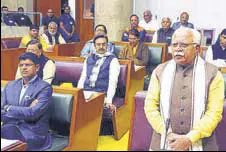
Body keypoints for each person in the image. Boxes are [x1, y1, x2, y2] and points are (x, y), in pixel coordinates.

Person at [144, 27, 224, 151]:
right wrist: (167, 133)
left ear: (197, 48)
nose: (177, 49)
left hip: (202, 143)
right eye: (174, 45)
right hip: (164, 140)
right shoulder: (160, 71)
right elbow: (150, 106)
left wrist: (189, 139)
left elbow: (214, 113)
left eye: (184, 45)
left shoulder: (213, 73)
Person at [1, 52, 52, 151]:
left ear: (37, 67)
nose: (24, 68)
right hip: (8, 127)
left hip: (32, 131)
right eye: (21, 65)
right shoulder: (10, 85)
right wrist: (26, 110)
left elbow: (33, 114)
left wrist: (9, 108)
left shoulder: (45, 87)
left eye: (28, 65)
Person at [78, 34, 120, 135]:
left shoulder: (113, 60)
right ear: (94, 46)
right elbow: (83, 77)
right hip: (86, 91)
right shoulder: (88, 58)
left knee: (89, 101)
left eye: (103, 44)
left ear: (107, 46)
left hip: (100, 93)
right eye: (98, 44)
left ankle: (88, 132)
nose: (101, 47)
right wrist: (78, 94)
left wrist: (109, 100)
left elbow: (113, 82)